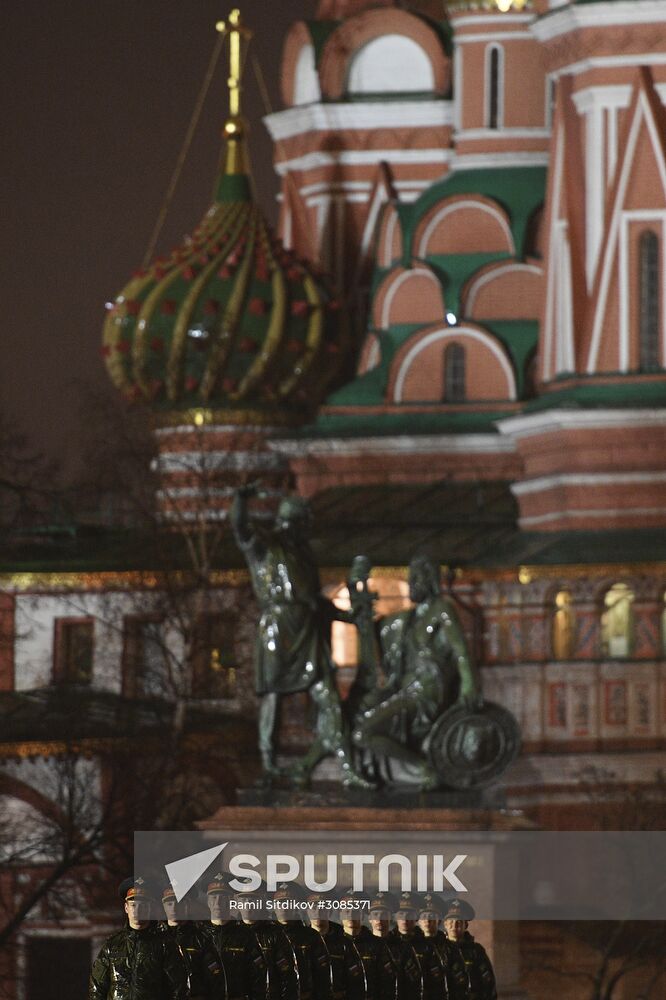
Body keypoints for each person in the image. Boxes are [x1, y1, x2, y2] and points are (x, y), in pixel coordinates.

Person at [231, 485, 370, 788]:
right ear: (295, 521)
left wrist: (347, 616)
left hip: (309, 631)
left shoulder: (304, 554)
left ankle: (348, 769)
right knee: (272, 697)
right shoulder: (266, 546)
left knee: (329, 697)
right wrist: (241, 500)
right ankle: (268, 764)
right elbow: (240, 530)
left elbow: (315, 600)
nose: (310, 528)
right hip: (278, 630)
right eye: (306, 522)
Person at [352, 555, 481, 788]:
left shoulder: (442, 609)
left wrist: (469, 684)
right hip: (406, 688)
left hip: (427, 690)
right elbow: (377, 631)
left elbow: (461, 649)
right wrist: (361, 604)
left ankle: (424, 768)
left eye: (417, 579)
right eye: (410, 580)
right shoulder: (408, 619)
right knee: (362, 710)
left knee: (363, 733)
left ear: (430, 580)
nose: (411, 585)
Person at [89, 877, 187, 1000]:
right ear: (126, 908)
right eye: (133, 905)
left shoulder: (164, 945)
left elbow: (179, 988)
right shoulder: (112, 945)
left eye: (142, 905)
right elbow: (97, 989)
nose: (137, 909)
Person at [203, 873, 268, 1000]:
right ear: (207, 901)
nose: (218, 903)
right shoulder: (200, 935)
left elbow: (258, 977)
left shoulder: (245, 936)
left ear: (232, 900)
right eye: (213, 897)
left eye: (223, 897)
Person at [160, 882, 226, 999]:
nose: (174, 907)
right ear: (163, 906)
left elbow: (215, 979)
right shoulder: (156, 939)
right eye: (169, 903)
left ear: (187, 904)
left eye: (179, 902)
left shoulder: (201, 938)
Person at [273, 883, 331, 999]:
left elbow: (322, 976)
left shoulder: (311, 936)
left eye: (289, 903)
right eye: (280, 903)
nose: (284, 907)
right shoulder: (266, 935)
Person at [306, 892, 366, 1000]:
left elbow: (355, 978)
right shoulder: (301, 940)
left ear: (330, 911)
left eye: (323, 907)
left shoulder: (344, 941)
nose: (318, 911)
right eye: (313, 907)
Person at [339, 890, 396, 1000]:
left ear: (363, 914)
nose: (351, 914)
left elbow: (387, 981)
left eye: (355, 910)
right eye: (346, 911)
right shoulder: (332, 943)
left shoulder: (377, 945)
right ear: (340, 915)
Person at [415, 894, 469, 1000]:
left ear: (439, 921)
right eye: (424, 917)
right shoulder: (411, 946)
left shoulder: (450, 947)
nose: (427, 920)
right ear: (418, 921)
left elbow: (459, 981)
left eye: (432, 916)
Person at [443, 900, 496, 1000]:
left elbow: (488, 983)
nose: (454, 926)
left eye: (459, 922)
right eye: (451, 922)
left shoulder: (476, 951)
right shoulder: (439, 950)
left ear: (465, 925)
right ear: (445, 924)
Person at [385, 892, 423, 1000]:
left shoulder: (426, 944)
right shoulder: (387, 943)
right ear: (395, 916)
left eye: (410, 914)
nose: (405, 919)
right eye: (401, 914)